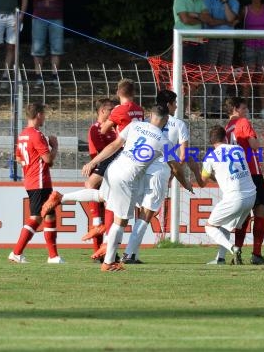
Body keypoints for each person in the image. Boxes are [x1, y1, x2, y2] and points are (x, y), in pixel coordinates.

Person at [42, 105, 177, 272]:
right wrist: (185, 182)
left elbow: (114, 145)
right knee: (120, 222)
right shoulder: (165, 141)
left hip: (113, 168)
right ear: (165, 120)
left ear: (150, 115)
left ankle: (61, 198)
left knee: (101, 196)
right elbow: (175, 166)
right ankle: (109, 262)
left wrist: (93, 162)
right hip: (126, 179)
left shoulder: (135, 125)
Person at [121, 90, 198, 264]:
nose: (177, 106)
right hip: (159, 172)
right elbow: (183, 156)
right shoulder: (178, 124)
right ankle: (127, 254)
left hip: (138, 169)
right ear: (169, 104)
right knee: (146, 215)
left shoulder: (146, 122)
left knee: (139, 213)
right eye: (175, 103)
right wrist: (180, 178)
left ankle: (132, 253)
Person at [86, 78, 144, 260]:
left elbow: (103, 130)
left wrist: (110, 124)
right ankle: (107, 244)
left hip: (121, 153)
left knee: (91, 184)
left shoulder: (119, 111)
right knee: (111, 199)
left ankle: (97, 222)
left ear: (119, 93)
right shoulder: (140, 110)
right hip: (136, 154)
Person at [215, 97, 264, 265]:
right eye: (244, 108)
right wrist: (255, 140)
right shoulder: (243, 122)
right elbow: (254, 145)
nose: (246, 112)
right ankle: (257, 254)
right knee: (259, 213)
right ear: (236, 109)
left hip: (238, 175)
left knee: (243, 216)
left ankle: (236, 251)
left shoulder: (226, 128)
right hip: (252, 171)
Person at [10, 102, 63, 264]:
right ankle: (16, 253)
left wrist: (31, 162)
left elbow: (19, 158)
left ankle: (53, 256)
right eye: (44, 114)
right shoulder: (36, 134)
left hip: (32, 180)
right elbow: (48, 160)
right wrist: (54, 147)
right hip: (39, 181)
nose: (44, 117)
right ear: (38, 114)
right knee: (37, 217)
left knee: (50, 214)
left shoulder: (23, 135)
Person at [198, 125, 257, 266]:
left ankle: (233, 249)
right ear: (225, 137)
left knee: (210, 227)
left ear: (211, 142)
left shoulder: (210, 157)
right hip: (251, 196)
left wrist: (195, 169)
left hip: (235, 198)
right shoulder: (238, 149)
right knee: (225, 227)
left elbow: (202, 182)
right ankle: (220, 259)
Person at [203, 0, 239, 116]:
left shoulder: (234, 2)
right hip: (212, 41)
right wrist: (226, 22)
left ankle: (219, 108)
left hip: (228, 41)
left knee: (224, 75)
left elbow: (231, 18)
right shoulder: (207, 1)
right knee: (209, 74)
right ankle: (205, 109)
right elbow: (209, 21)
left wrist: (224, 2)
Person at [85, 97, 117, 255]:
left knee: (111, 213)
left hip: (113, 174)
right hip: (100, 172)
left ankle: (107, 250)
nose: (114, 112)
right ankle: (98, 251)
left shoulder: (114, 129)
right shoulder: (95, 129)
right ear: (102, 111)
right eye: (111, 109)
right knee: (100, 217)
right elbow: (100, 151)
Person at [29, 0, 66, 86]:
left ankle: (55, 77)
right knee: (37, 49)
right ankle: (38, 76)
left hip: (56, 18)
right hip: (38, 18)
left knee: (57, 49)